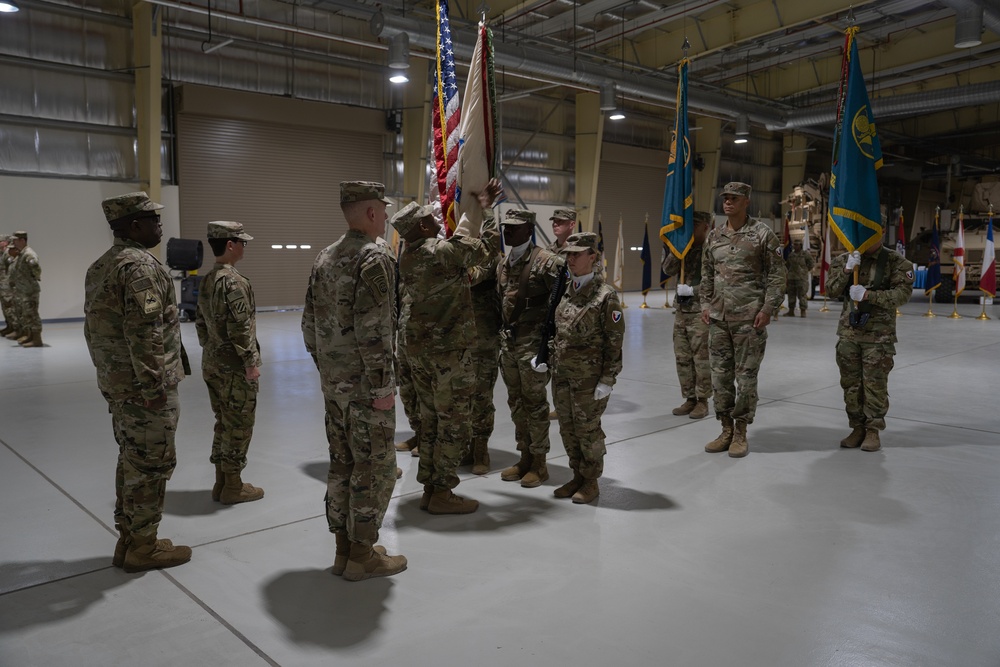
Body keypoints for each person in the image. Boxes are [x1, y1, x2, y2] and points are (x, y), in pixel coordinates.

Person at [301, 180, 406, 581]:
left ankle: (343, 548)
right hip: (366, 388)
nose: (385, 216)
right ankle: (362, 554)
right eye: (382, 209)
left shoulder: (324, 257)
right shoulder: (373, 259)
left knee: (342, 463)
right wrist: (382, 388)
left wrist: (330, 371)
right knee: (374, 467)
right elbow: (374, 331)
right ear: (372, 213)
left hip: (336, 386)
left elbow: (309, 325)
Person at [85, 192, 191, 573]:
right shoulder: (141, 267)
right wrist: (153, 389)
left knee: (132, 459)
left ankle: (130, 538)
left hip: (119, 384)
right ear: (133, 226)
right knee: (152, 463)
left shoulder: (102, 265)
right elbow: (144, 334)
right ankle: (144, 547)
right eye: (153, 220)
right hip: (145, 390)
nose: (160, 227)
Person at [392, 181, 500, 514]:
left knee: (432, 422)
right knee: (454, 423)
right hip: (449, 354)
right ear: (422, 226)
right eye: (430, 216)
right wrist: (486, 208)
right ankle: (441, 492)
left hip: (421, 354)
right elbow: (490, 247)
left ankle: (431, 487)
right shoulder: (439, 252)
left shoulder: (408, 255)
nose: (437, 216)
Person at [700, 182, 786, 458]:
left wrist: (768, 308)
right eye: (725, 198)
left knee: (746, 378)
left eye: (734, 198)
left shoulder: (763, 235)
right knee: (720, 377)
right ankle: (725, 428)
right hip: (718, 318)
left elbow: (777, 275)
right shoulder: (714, 236)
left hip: (749, 318)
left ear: (746, 201)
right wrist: (705, 303)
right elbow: (706, 273)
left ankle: (740, 432)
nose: (728, 203)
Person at [545, 232, 624, 504]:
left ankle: (591, 481)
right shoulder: (566, 290)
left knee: (587, 430)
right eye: (568, 253)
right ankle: (577, 475)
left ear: (593, 257)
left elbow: (614, 342)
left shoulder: (605, 296)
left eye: (577, 254)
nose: (571, 258)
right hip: (562, 374)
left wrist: (608, 380)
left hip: (589, 380)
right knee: (567, 428)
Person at [195, 221, 265, 505]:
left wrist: (212, 348)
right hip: (234, 368)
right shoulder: (234, 281)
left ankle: (221, 482)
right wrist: (250, 362)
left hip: (213, 362)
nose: (244, 247)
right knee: (239, 425)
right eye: (242, 242)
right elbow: (240, 326)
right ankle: (233, 486)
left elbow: (200, 323)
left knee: (223, 422)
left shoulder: (208, 279)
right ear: (230, 245)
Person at [497, 209, 565, 487]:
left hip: (532, 347)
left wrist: (551, 345)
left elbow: (563, 301)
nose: (508, 231)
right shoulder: (503, 263)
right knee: (516, 404)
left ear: (529, 229)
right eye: (506, 227)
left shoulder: (547, 262)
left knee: (535, 405)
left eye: (514, 227)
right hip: (509, 346)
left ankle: (539, 463)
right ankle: (524, 455)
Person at [826, 236, 914, 452]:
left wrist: (869, 295)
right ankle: (857, 427)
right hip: (849, 333)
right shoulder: (844, 260)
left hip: (878, 335)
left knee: (874, 384)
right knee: (851, 384)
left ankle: (873, 430)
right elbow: (830, 291)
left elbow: (903, 295)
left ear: (881, 232)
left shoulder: (896, 261)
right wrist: (846, 271)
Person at [662, 211, 713, 420]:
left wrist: (694, 291)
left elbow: (719, 282)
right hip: (682, 311)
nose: (690, 230)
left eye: (695, 226)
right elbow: (667, 269)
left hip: (701, 311)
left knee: (700, 359)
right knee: (682, 357)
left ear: (705, 228)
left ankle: (702, 400)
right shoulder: (683, 249)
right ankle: (689, 398)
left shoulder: (711, 251)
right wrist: (678, 250)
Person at [467, 209, 503, 475]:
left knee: (481, 397)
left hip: (483, 341)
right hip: (458, 340)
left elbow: (474, 275)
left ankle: (480, 448)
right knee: (459, 399)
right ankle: (464, 446)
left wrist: (486, 209)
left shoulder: (491, 259)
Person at [8, 231, 43, 347]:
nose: (13, 242)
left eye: (15, 240)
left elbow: (36, 269)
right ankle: (30, 336)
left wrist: (32, 279)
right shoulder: (21, 254)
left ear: (22, 240)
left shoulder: (28, 254)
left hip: (29, 290)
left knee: (32, 314)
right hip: (23, 290)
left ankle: (37, 339)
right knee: (27, 315)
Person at [785, 239, 815, 317]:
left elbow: (811, 264)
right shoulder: (791, 255)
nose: (795, 246)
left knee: (802, 295)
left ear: (800, 245)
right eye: (794, 245)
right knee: (791, 295)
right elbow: (787, 265)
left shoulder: (805, 254)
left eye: (797, 245)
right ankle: (791, 311)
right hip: (791, 278)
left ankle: (803, 311)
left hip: (801, 278)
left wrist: (804, 271)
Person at [0, 235, 16, 337]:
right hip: (2, 285)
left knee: (10, 307)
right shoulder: (1, 253)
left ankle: (16, 329)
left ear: (6, 242)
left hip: (8, 285)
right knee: (5, 308)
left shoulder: (10, 253)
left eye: (1, 241)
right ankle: (9, 326)